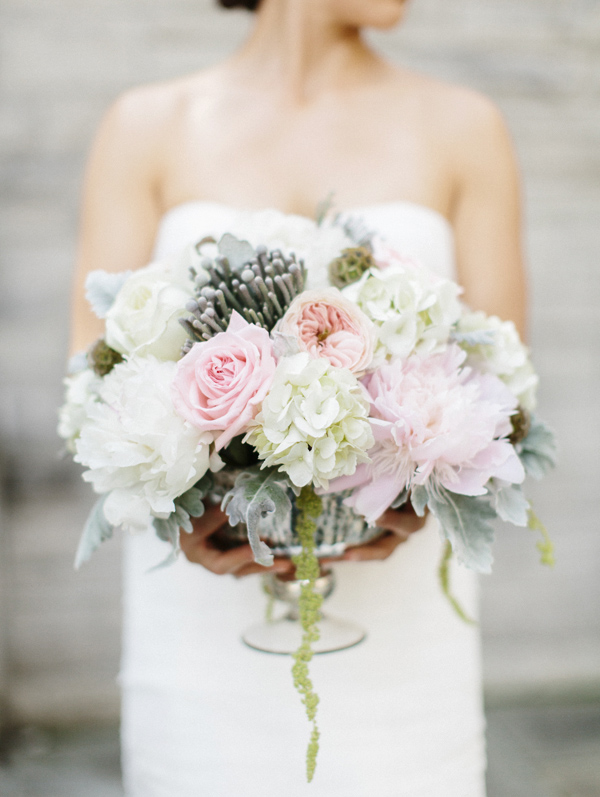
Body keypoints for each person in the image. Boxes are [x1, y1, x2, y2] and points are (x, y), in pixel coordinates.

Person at [70, 0, 527, 794]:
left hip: (402, 641)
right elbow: (87, 379)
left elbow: (509, 386)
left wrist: (426, 484)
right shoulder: (146, 124)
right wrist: (178, 497)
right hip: (198, 627)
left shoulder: (466, 126)